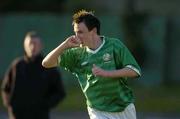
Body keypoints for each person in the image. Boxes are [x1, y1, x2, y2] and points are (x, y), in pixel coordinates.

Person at [42, 10, 141, 119]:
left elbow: (134, 71)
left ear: (93, 31)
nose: (76, 36)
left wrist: (106, 73)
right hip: (98, 110)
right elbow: (46, 63)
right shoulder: (76, 54)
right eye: (75, 32)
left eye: (80, 32)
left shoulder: (114, 45)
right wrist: (64, 45)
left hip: (124, 107)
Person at [1, 31, 66, 119]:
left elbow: (60, 92)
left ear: (41, 46)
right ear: (25, 46)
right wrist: (10, 104)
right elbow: (5, 88)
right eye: (30, 44)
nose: (32, 47)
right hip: (17, 116)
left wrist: (45, 105)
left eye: (35, 44)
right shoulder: (16, 66)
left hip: (40, 116)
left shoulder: (48, 66)